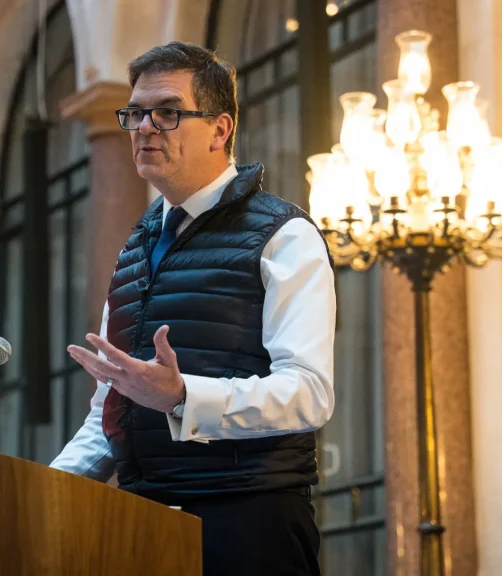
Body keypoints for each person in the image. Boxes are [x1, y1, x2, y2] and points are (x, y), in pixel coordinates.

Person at [49, 41, 336, 576]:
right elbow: (111, 412)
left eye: (167, 112)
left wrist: (184, 396)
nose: (144, 127)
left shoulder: (284, 235)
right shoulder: (134, 250)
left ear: (221, 129)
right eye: (135, 113)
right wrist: (41, 491)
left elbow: (310, 394)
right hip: (139, 521)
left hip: (247, 522)